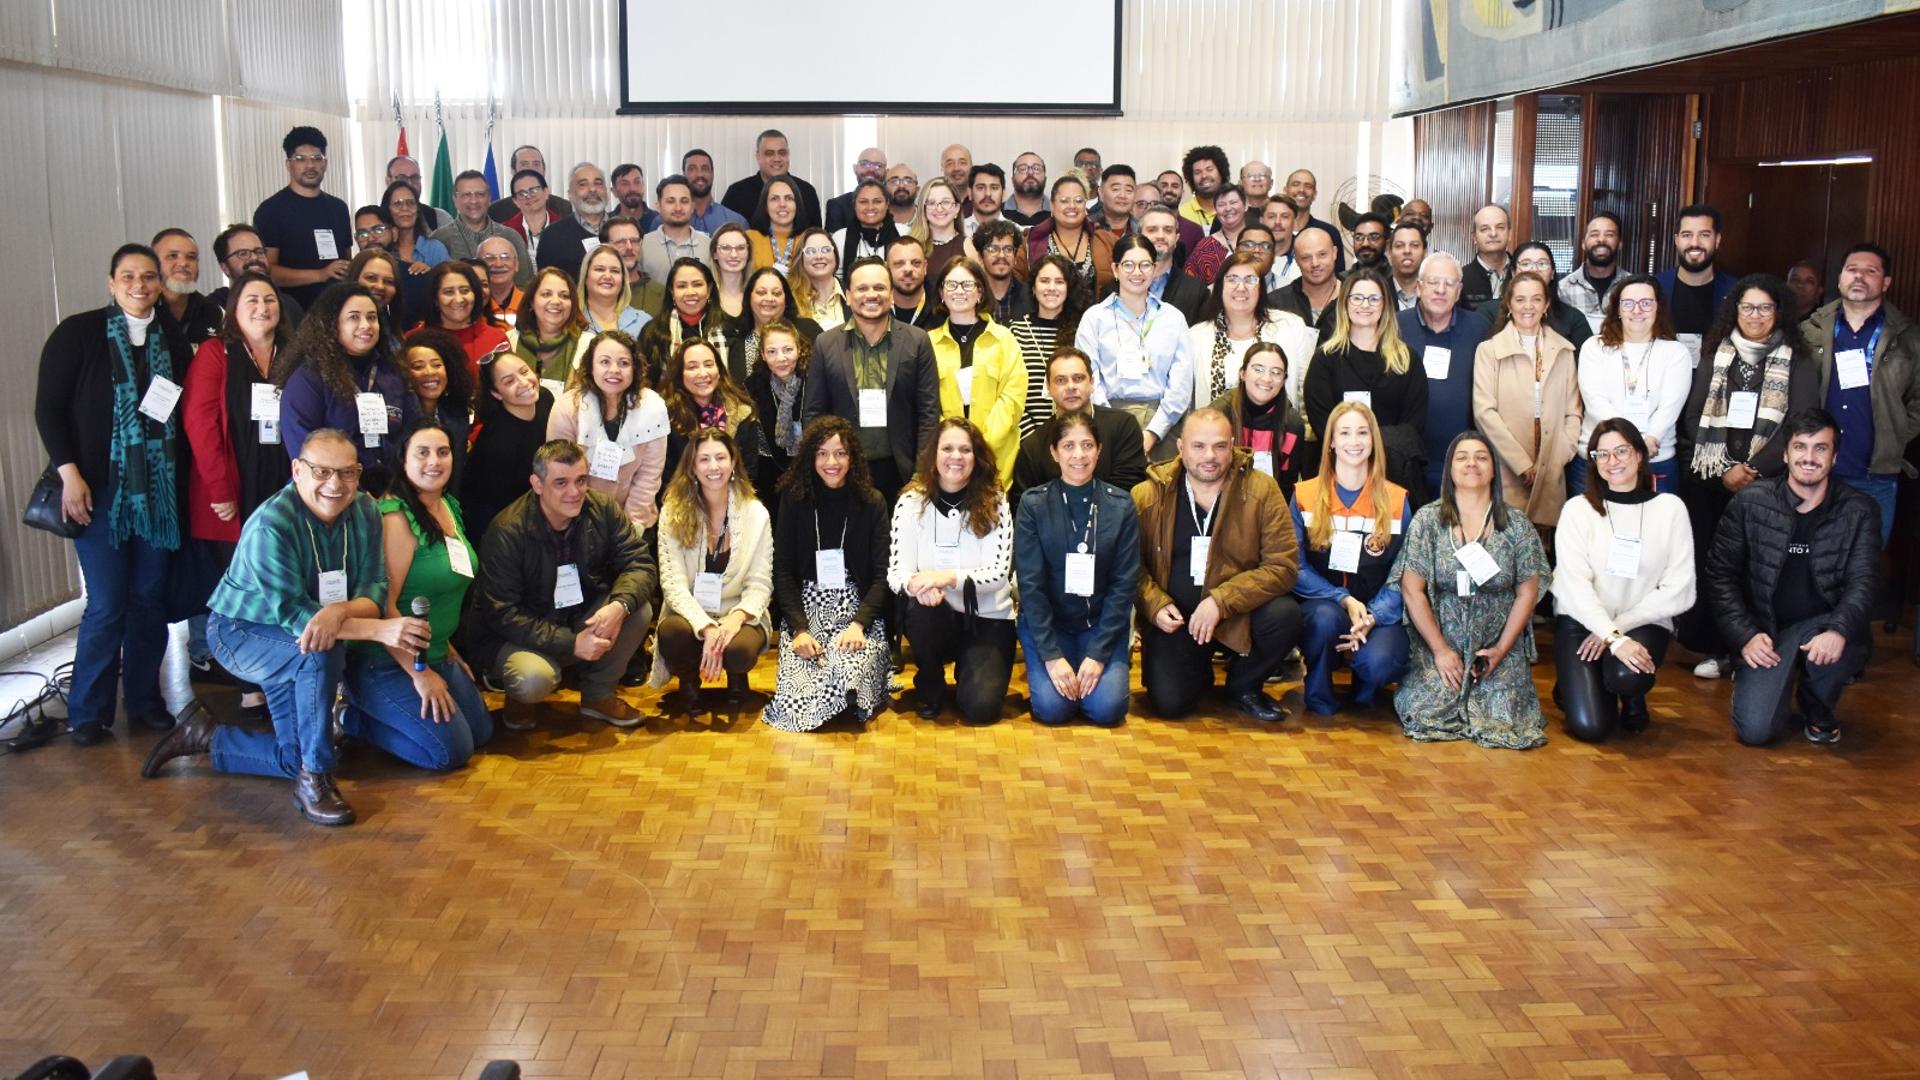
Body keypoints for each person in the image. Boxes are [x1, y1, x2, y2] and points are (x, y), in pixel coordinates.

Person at [138, 429, 431, 825]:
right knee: (321, 652)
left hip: (302, 635)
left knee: (295, 754)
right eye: (322, 471)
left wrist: (338, 612)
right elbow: (299, 619)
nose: (335, 484)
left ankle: (206, 735)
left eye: (347, 472)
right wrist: (378, 630)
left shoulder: (365, 509)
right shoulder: (271, 524)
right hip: (241, 633)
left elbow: (374, 590)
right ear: (297, 470)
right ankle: (315, 780)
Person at [34, 244, 191, 743]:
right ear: (111, 282)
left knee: (148, 599)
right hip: (97, 492)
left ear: (159, 284)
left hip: (159, 496)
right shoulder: (78, 333)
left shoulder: (173, 340)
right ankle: (88, 712)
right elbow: (48, 410)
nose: (139, 285)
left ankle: (145, 702)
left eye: (148, 276)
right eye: (128, 276)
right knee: (106, 603)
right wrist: (70, 475)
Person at [1677, 275, 1822, 679]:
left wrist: (1756, 468)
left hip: (1769, 483)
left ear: (1779, 312)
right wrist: (1726, 468)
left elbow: (1800, 423)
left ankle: (1755, 651)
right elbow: (1693, 414)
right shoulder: (1716, 353)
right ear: (1734, 310)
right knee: (1716, 566)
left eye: (1764, 308)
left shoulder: (1798, 358)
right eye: (1747, 307)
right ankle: (1716, 648)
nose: (1755, 315)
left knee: (1759, 570)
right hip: (1713, 480)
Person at [1707, 409, 1878, 745]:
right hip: (1768, 632)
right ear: (1785, 454)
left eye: (1820, 448)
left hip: (1826, 626)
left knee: (1837, 646)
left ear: (1834, 457)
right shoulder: (1749, 502)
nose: (1809, 458)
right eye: (1800, 447)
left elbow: (1864, 582)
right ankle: (1773, 680)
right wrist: (1745, 635)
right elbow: (1720, 576)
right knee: (1755, 731)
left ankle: (1816, 704)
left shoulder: (1859, 510)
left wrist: (1839, 630)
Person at [336, 419, 493, 770]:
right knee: (451, 752)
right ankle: (350, 717)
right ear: (403, 460)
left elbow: (439, 587)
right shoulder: (395, 517)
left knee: (481, 731)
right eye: (422, 453)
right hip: (385, 659)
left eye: (443, 452)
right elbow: (383, 605)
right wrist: (420, 674)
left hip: (434, 650)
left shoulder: (447, 505)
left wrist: (446, 646)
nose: (434, 461)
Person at [472, 439, 655, 730]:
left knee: (637, 609)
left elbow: (639, 563)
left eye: (581, 480)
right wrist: (572, 643)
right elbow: (503, 614)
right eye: (561, 483)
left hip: (576, 616)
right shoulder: (507, 531)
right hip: (518, 634)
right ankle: (519, 698)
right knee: (533, 679)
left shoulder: (602, 508)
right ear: (537, 484)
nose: (575, 492)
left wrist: (619, 606)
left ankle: (598, 696)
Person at [1132, 408, 1302, 722]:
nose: (1209, 456)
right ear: (1180, 447)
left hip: (1239, 613)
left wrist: (1221, 601)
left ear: (1232, 445)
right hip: (1176, 617)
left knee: (1285, 615)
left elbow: (1283, 566)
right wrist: (1154, 604)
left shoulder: (1262, 490)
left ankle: (1243, 686)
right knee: (1170, 704)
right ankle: (1197, 670)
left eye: (1220, 446)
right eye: (1198, 446)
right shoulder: (1147, 495)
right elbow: (1131, 567)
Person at [180, 272, 295, 717]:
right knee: (241, 590)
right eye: (252, 300)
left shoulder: (292, 353)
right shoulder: (217, 353)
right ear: (234, 308)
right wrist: (220, 490)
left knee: (281, 585)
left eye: (270, 299)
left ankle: (282, 676)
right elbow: (200, 423)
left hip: (283, 487)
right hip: (231, 491)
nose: (263, 307)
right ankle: (249, 687)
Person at [1391, 430, 1552, 749]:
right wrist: (1440, 650)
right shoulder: (1427, 521)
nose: (1471, 464)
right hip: (1441, 643)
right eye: (1462, 457)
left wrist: (1501, 650)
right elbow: (1412, 590)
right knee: (1427, 714)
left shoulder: (1516, 525)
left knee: (1506, 721)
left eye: (1481, 457)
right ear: (1449, 469)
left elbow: (1528, 593)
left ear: (1494, 470)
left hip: (1497, 646)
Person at [1550, 419, 1695, 742]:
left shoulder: (1670, 509)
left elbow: (1680, 588)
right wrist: (1610, 636)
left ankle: (1630, 693)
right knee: (1592, 727)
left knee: (1626, 677)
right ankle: (1574, 683)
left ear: (1640, 455)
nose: (1611, 461)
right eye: (1601, 454)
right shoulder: (1578, 510)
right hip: (1583, 623)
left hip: (1642, 622)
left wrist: (1616, 632)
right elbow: (1573, 586)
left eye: (1621, 451)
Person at [1014, 410, 1140, 727]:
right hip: (1050, 626)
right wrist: (1052, 657)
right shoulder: (1033, 504)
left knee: (1107, 709)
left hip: (1100, 625)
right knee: (1052, 709)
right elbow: (1031, 586)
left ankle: (1092, 679)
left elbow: (1124, 585)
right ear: (1054, 453)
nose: (1079, 455)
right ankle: (1066, 680)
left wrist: (1098, 655)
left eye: (1087, 445)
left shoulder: (1121, 505)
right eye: (1068, 446)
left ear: (1099, 450)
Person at [764, 417, 891, 730]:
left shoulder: (873, 502)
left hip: (857, 610)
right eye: (822, 453)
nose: (831, 462)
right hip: (807, 608)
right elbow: (783, 571)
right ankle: (832, 697)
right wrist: (799, 629)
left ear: (853, 457)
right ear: (810, 457)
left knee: (850, 665)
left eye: (840, 453)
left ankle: (850, 691)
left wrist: (859, 625)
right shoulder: (794, 500)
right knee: (799, 678)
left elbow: (881, 576)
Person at [888, 418, 1017, 725]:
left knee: (981, 709)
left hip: (987, 617)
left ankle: (969, 668)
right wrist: (917, 585)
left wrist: (946, 577)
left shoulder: (996, 501)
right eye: (947, 448)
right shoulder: (910, 502)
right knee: (920, 609)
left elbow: (998, 573)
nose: (956, 456)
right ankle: (930, 678)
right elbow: (896, 573)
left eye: (965, 450)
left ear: (977, 456)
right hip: (936, 615)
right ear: (933, 454)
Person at [1288, 403, 1412, 716]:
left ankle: (1365, 686)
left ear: (1373, 440)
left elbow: (1406, 572)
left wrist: (1374, 615)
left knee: (1380, 662)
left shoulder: (1397, 500)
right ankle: (1319, 693)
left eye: (1362, 433)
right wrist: (1342, 598)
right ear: (1330, 441)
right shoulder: (1304, 495)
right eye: (1344, 433)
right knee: (1322, 620)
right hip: (1328, 604)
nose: (1354, 441)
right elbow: (1296, 567)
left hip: (1379, 612)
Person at [1801, 242, 1920, 545]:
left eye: (1870, 271)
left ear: (1886, 282)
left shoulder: (1908, 338)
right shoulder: (1809, 330)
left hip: (1874, 477)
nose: (1859, 276)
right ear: (1840, 277)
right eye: (1852, 269)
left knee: (1863, 565)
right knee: (1806, 562)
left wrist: (1894, 432)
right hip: (1813, 472)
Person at [649, 427, 774, 711]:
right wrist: (706, 627)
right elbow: (673, 584)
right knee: (672, 633)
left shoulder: (756, 514)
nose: (713, 467)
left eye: (720, 458)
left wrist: (735, 620)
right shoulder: (673, 512)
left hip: (737, 612)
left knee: (739, 650)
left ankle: (737, 677)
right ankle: (689, 680)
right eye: (704, 459)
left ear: (733, 462)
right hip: (689, 613)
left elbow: (760, 584)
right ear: (692, 467)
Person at [803, 258, 941, 500]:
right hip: (843, 469)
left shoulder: (917, 341)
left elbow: (928, 413)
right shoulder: (826, 344)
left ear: (891, 294)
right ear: (848, 295)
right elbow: (814, 413)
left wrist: (920, 474)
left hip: (902, 470)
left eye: (879, 287)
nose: (871, 295)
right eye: (862, 288)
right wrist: (824, 466)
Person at [1303, 270, 1429, 496]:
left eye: (1373, 298)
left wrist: (1377, 445)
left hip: (1395, 473)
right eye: (1357, 298)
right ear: (1345, 303)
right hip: (1340, 474)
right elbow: (1323, 421)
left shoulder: (1407, 359)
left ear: (1385, 305)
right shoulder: (1325, 359)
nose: (1365, 305)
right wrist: (1355, 447)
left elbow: (1413, 425)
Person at [275, 282, 409, 495]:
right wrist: (357, 495)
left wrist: (398, 491)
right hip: (331, 493)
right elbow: (305, 453)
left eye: (372, 317)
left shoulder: (392, 373)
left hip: (393, 493)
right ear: (332, 324)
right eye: (354, 317)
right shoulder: (308, 379)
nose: (366, 325)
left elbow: (412, 432)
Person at [1473, 272, 1581, 530]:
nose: (1528, 306)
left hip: (1551, 465)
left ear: (1546, 305)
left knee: (1544, 544)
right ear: (1509, 305)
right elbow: (1484, 412)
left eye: (1536, 299)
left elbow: (1573, 412)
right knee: (1506, 536)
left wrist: (1558, 457)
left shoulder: (1564, 351)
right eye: (1520, 300)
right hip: (1507, 465)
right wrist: (1521, 464)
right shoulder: (1489, 350)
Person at [1073, 234, 1194, 459]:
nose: (1137, 272)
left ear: (1154, 269)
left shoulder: (1172, 318)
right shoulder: (1095, 318)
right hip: (1107, 424)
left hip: (1163, 425)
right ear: (1115, 269)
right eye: (1128, 265)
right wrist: (1111, 426)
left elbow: (1181, 385)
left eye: (1144, 265)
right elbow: (1089, 378)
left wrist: (1153, 433)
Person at [1574, 274, 1691, 495]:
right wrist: (1631, 444)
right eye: (1628, 303)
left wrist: (1649, 440)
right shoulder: (1594, 347)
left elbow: (1669, 408)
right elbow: (1595, 401)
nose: (1637, 310)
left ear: (1658, 308)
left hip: (1654, 459)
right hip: (1601, 458)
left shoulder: (1675, 352)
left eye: (1646, 303)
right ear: (1618, 309)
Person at [545, 329, 669, 533]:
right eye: (604, 362)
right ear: (590, 366)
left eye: (624, 363)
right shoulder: (567, 407)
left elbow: (648, 477)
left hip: (632, 519)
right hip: (573, 518)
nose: (614, 370)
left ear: (635, 368)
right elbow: (560, 474)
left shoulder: (653, 406)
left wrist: (629, 530)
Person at [1398, 251, 1492, 497]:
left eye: (1449, 284)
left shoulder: (1480, 328)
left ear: (1459, 291)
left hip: (1463, 462)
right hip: (1407, 460)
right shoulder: (1395, 326)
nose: (1441, 290)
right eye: (1433, 282)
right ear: (1419, 287)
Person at [929, 256, 1026, 483]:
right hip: (946, 459)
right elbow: (926, 404)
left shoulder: (1004, 339)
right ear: (941, 293)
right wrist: (954, 446)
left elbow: (1012, 399)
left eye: (967, 284)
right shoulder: (928, 343)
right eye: (951, 284)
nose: (959, 291)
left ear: (980, 291)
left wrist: (979, 446)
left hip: (996, 456)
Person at [1010, 348, 1148, 501]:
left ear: (1092, 382)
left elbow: (1129, 487)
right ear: (1048, 387)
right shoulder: (1033, 446)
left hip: (1114, 515)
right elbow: (1024, 502)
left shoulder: (1123, 426)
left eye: (1078, 378)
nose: (1070, 387)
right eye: (1061, 380)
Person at [1187, 252, 1316, 410]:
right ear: (1220, 287)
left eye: (1250, 280)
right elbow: (1185, 402)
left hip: (1277, 424)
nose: (1241, 288)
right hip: (1214, 424)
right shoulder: (1196, 336)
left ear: (1261, 288)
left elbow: (1308, 392)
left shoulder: (1291, 326)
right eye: (1232, 279)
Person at [254, 126, 352, 310]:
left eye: (316, 158)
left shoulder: (339, 208)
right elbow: (267, 271)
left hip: (336, 311)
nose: (310, 166)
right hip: (292, 313)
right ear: (288, 164)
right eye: (301, 159)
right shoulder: (270, 210)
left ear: (325, 163)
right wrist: (321, 274)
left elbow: (347, 262)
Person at [461, 353, 555, 541]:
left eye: (524, 371)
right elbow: (503, 507)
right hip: (497, 523)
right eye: (509, 381)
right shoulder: (497, 442)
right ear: (496, 393)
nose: (524, 383)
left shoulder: (544, 398)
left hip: (537, 503)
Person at [1007, 254, 1090, 439]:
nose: (1051, 288)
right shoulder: (1015, 331)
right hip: (1027, 437)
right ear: (1033, 288)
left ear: (1068, 288)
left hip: (1075, 437)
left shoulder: (1083, 330)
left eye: (1059, 282)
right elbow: (1009, 391)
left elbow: (1088, 388)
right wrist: (1035, 440)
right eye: (1044, 281)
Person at [1210, 341, 1303, 499]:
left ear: (1283, 380)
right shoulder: (1217, 416)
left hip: (1269, 505)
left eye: (1276, 372)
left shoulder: (1292, 425)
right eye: (1258, 369)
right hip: (1220, 502)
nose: (1267, 378)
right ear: (1243, 373)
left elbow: (1286, 487)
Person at [1475, 242, 1593, 351]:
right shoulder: (1488, 312)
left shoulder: (1573, 318)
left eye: (1542, 264)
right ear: (1513, 273)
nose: (1535, 269)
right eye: (1526, 264)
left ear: (1552, 273)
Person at [1653, 204, 1736, 357]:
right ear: (1676, 240)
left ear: (1717, 240)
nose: (1695, 243)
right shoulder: (1655, 287)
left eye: (1704, 235)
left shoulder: (1735, 291)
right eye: (1687, 235)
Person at [743, 320, 811, 506]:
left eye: (787, 350)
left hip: (813, 469)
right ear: (763, 355)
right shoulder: (753, 388)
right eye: (772, 351)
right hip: (771, 475)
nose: (781, 358)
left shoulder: (815, 379)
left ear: (799, 349)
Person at [432, 171, 533, 288]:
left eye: (480, 194)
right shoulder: (440, 239)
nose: (474, 201)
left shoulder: (511, 236)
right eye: (466, 195)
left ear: (489, 198)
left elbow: (525, 285)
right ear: (455, 199)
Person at [723, 266, 823, 384]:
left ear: (786, 299)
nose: (769, 298)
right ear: (749, 297)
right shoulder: (735, 338)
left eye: (776, 293)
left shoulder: (809, 330)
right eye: (761, 293)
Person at [639, 257, 728, 387]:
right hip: (666, 399)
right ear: (672, 292)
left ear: (709, 290)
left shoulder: (729, 328)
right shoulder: (653, 331)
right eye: (682, 286)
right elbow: (645, 382)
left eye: (697, 284)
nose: (690, 292)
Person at [416, 261, 510, 379]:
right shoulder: (415, 339)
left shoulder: (496, 339)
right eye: (449, 292)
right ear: (435, 299)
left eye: (465, 291)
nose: (459, 299)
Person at [1026, 176, 1114, 296]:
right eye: (1064, 201)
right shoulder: (1031, 242)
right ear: (1052, 205)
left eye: (1078, 200)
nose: (1072, 205)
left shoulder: (1107, 241)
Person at [508, 267, 591, 394]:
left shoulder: (589, 345)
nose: (556, 301)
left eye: (564, 296)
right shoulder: (509, 341)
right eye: (546, 294)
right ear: (531, 302)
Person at [722, 129, 824, 231]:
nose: (776, 159)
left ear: (788, 155)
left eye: (782, 153)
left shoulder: (807, 191)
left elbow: (816, 235)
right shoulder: (736, 193)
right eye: (769, 153)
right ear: (758, 156)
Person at [531, 163, 616, 276]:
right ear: (570, 194)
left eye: (598, 183)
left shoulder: (623, 229)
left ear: (606, 191)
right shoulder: (552, 235)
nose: (592, 189)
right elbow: (545, 281)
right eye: (583, 184)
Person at [150, 228, 225, 348]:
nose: (183, 263)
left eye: (191, 257)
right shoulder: (143, 309)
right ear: (153, 264)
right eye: (172, 256)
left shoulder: (212, 312)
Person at [1136, 205, 1210, 323]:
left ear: (1176, 239)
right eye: (1152, 230)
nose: (1160, 236)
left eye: (1168, 230)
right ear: (1139, 237)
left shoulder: (1196, 290)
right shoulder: (1119, 287)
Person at [1559, 212, 1623, 332]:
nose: (1601, 240)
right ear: (1583, 244)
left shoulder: (1633, 286)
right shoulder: (1562, 289)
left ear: (1620, 244)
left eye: (1609, 235)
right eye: (1594, 234)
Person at [1269, 226, 1340, 330]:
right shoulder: (1276, 302)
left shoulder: (1353, 297)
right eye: (1306, 258)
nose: (1315, 263)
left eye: (1322, 254)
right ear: (1296, 260)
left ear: (1334, 253)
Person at [1180, 184, 1251, 286]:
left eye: (1233, 202)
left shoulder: (1258, 240)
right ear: (1216, 210)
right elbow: (1188, 286)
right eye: (1221, 205)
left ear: (1246, 205)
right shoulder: (1205, 247)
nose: (1228, 208)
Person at [578, 244, 652, 341]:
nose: (607, 276)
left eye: (615, 271)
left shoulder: (644, 322)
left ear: (623, 279)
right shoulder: (570, 321)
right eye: (599, 269)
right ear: (585, 276)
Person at [382, 179, 450, 283]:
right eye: (397, 203)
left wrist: (430, 275)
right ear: (387, 210)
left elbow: (449, 284)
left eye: (411, 203)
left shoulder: (435, 249)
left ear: (418, 210)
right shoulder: (382, 248)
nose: (405, 208)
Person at [829, 178, 898, 279]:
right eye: (863, 202)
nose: (870, 207)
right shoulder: (840, 237)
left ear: (887, 204)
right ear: (854, 205)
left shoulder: (903, 233)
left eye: (877, 201)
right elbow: (835, 278)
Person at [600, 217, 668, 320]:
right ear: (604, 247)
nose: (629, 247)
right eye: (620, 242)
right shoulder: (595, 291)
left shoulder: (660, 294)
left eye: (634, 241)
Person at [487, 146, 572, 223]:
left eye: (536, 164)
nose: (531, 169)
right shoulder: (496, 210)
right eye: (524, 164)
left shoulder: (565, 208)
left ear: (544, 170)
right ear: (513, 170)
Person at [788, 227, 848, 331]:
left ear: (835, 255)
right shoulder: (789, 299)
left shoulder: (853, 294)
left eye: (826, 250)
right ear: (801, 258)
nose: (819, 256)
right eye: (811, 251)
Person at [679, 148, 750, 234]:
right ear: (684, 175)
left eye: (705, 168)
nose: (699, 174)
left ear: (712, 174)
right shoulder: (669, 221)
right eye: (692, 169)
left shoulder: (736, 222)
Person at [973, 220, 1032, 323]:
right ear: (980, 256)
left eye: (1008, 249)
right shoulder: (971, 296)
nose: (1001, 255)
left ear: (1015, 256)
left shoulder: (1031, 296)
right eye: (993, 249)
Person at [910, 179, 967, 280]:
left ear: (957, 208)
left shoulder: (969, 246)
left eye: (946, 202)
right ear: (923, 209)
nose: (939, 209)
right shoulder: (911, 247)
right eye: (931, 203)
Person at [748, 175, 805, 275]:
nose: (782, 204)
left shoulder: (808, 240)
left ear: (797, 205)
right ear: (765, 206)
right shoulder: (749, 239)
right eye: (774, 199)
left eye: (789, 198)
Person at [350, 248, 407, 346]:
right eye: (371, 278)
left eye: (388, 281)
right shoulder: (334, 328)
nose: (380, 286)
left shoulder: (393, 331)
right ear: (354, 279)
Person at [1458, 205, 1512, 309]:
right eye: (1485, 229)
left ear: (1509, 233)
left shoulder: (1522, 272)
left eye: (1500, 227)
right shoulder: (1461, 278)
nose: (1493, 234)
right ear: (1474, 237)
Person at [824, 147, 887, 234]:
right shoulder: (837, 206)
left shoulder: (893, 204)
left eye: (878, 165)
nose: (871, 169)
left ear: (886, 172)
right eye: (864, 164)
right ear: (855, 168)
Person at [885, 235, 941, 330]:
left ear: (925, 267)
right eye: (899, 263)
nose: (908, 269)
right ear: (887, 268)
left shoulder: (942, 306)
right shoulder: (876, 306)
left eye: (916, 263)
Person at [385, 155, 452, 232]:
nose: (409, 183)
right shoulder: (377, 219)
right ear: (388, 182)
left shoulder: (439, 218)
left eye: (415, 177)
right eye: (402, 178)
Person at [502, 169, 555, 265]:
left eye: (533, 190)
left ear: (546, 192)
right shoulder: (504, 232)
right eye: (521, 194)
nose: (528, 196)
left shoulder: (565, 228)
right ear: (515, 201)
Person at [1177, 146, 1229, 231]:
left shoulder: (1233, 210)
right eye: (1197, 172)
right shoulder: (1181, 213)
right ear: (1191, 178)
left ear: (1221, 172)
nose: (1204, 175)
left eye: (1209, 169)